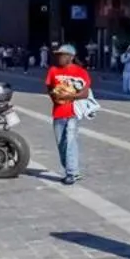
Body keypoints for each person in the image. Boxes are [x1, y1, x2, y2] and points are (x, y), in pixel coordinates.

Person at [45, 44, 93, 185]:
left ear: (71, 57)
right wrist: (55, 95)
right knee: (61, 144)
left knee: (71, 141)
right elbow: (49, 88)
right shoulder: (53, 71)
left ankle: (71, 173)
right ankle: (72, 170)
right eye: (58, 55)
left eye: (62, 55)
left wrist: (70, 96)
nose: (59, 57)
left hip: (73, 112)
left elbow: (85, 93)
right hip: (58, 113)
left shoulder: (81, 72)